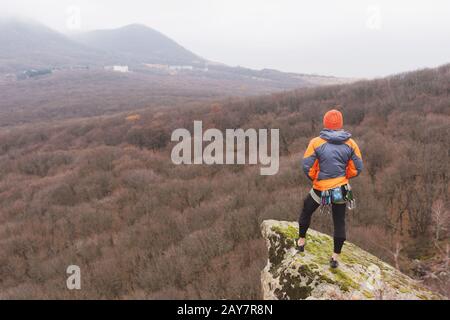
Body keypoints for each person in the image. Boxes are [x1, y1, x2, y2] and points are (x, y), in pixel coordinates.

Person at [298, 109, 363, 268]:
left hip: (321, 188)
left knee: (307, 210)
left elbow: (307, 166)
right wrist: (343, 176)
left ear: (325, 123)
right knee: (339, 221)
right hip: (341, 188)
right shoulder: (351, 143)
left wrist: (316, 178)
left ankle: (301, 241)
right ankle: (335, 257)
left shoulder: (316, 142)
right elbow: (357, 168)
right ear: (340, 124)